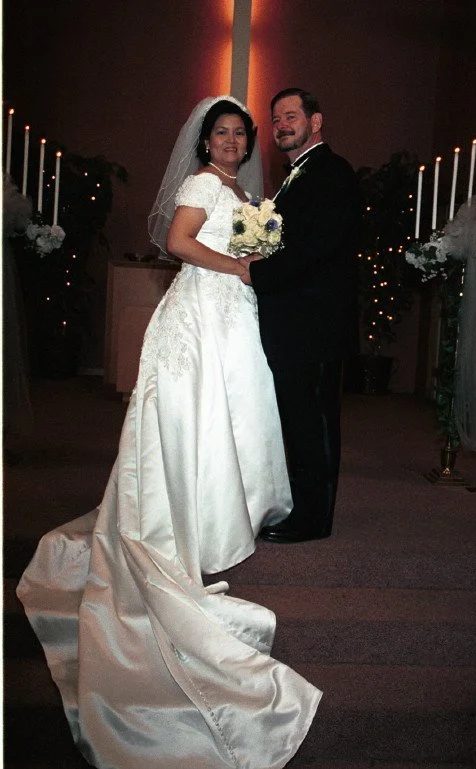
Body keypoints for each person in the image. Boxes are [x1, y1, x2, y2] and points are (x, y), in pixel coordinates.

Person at [17, 95, 321, 769]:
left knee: (231, 413)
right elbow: (179, 242)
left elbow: (243, 245)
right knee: (191, 419)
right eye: (222, 131)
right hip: (198, 313)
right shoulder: (197, 184)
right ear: (204, 140)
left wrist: (256, 253)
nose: (232, 140)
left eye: (240, 133)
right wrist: (236, 264)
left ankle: (217, 514)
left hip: (233, 313)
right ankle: (180, 520)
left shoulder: (241, 188)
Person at [240, 88, 361, 544]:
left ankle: (314, 518)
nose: (281, 126)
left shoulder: (332, 171)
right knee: (299, 418)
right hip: (298, 324)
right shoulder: (298, 175)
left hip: (316, 325)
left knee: (314, 420)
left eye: (291, 116)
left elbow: (318, 247)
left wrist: (257, 271)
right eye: (275, 120)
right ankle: (303, 506)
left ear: (316, 121)